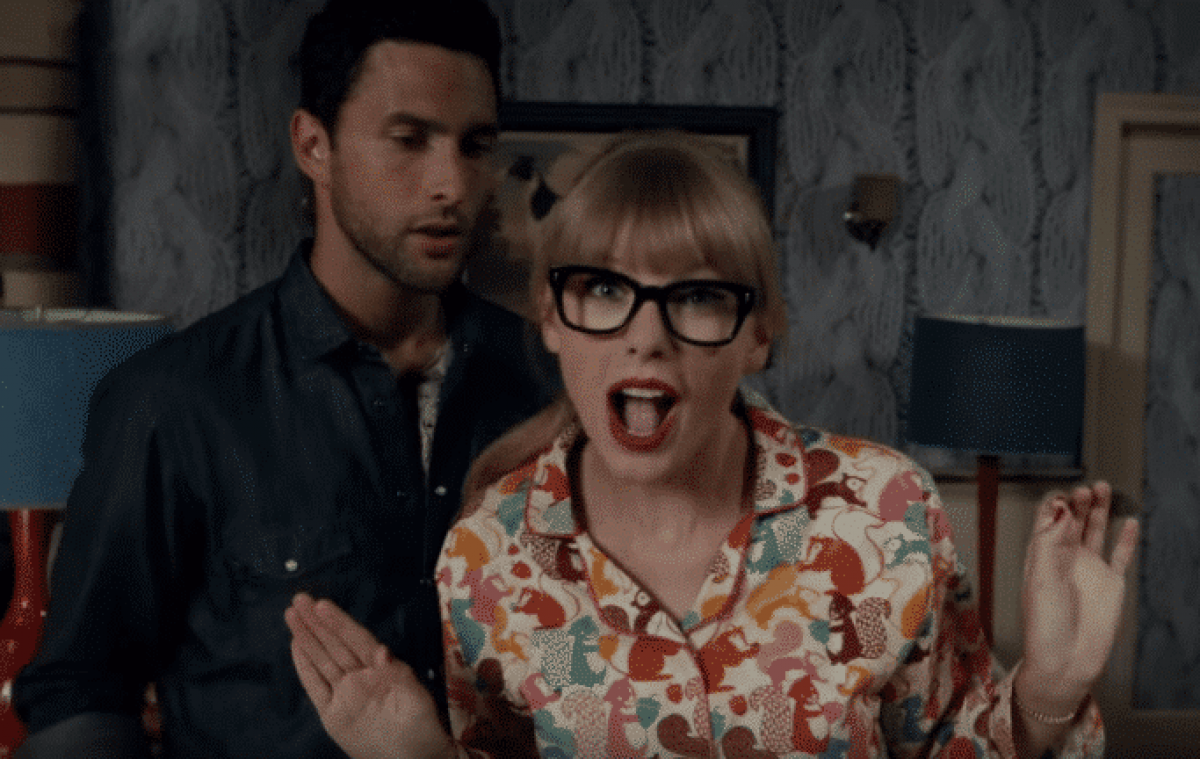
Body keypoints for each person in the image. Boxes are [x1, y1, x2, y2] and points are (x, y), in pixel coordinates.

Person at [284, 132, 1139, 758]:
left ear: (757, 335)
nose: (645, 337)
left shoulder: (885, 510)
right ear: (551, 318)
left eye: (695, 297)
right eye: (604, 289)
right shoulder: (486, 555)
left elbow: (950, 744)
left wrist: (1050, 688)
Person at [13, 2, 556, 757]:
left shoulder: (549, 382)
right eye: (409, 140)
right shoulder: (173, 401)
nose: (451, 184)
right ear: (312, 145)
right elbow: (81, 693)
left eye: (476, 146)